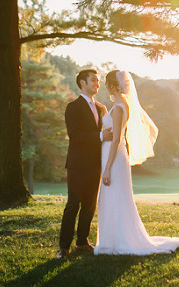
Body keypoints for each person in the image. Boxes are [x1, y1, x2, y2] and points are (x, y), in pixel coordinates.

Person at [94, 69, 179, 255]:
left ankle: (118, 240)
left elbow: (117, 139)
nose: (104, 86)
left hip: (115, 158)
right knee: (111, 197)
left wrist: (108, 168)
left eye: (106, 83)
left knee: (115, 196)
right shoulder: (120, 104)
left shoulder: (119, 108)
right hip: (111, 156)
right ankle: (110, 239)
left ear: (112, 85)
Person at [57, 69, 112, 259]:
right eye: (94, 80)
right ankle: (63, 247)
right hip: (78, 165)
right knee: (73, 205)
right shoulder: (73, 107)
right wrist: (99, 136)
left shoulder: (100, 107)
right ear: (82, 83)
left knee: (89, 205)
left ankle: (82, 242)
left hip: (95, 164)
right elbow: (75, 135)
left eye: (98, 81)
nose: (97, 83)